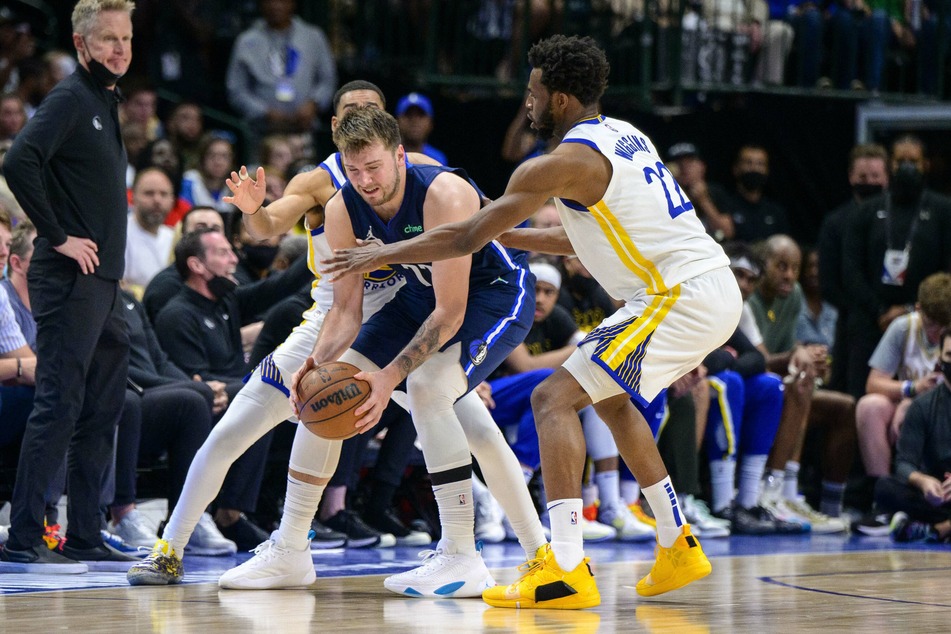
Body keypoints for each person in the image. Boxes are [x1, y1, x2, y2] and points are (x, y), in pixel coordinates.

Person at [325, 35, 742, 607]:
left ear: (562, 100)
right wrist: (508, 232)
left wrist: (380, 254)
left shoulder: (561, 162)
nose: (527, 102)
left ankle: (565, 568)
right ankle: (677, 543)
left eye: (534, 91)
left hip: (679, 293)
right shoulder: (621, 136)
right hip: (694, 288)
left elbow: (469, 235)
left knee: (553, 400)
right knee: (609, 398)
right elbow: (575, 235)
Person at [128, 81, 546, 591]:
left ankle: (490, 551)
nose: (366, 181)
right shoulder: (336, 198)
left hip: (488, 292)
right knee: (317, 396)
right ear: (335, 135)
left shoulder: (441, 190)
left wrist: (392, 374)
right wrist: (316, 365)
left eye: (374, 167)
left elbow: (451, 309)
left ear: (397, 149)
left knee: (442, 398)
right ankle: (279, 547)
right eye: (355, 170)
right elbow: (343, 307)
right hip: (379, 308)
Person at [0, 0, 137, 573]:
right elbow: (18, 161)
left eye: (126, 39)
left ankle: (84, 533)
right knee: (59, 404)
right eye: (107, 39)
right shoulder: (70, 98)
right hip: (70, 277)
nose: (119, 49)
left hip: (103, 284)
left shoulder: (104, 100)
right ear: (81, 45)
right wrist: (57, 237)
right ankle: (25, 535)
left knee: (104, 407)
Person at [841, 135, 951, 401]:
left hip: (927, 319)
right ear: (890, 164)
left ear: (925, 165)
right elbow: (851, 269)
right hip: (871, 320)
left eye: (913, 161)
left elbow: (947, 270)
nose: (907, 167)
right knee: (862, 400)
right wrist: (880, 311)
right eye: (901, 161)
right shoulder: (866, 210)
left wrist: (912, 309)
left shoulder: (943, 209)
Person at [855, 272, 950, 496]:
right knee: (870, 406)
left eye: (943, 326)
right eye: (931, 324)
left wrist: (913, 405)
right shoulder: (903, 328)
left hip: (943, 413)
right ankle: (882, 491)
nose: (936, 333)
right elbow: (873, 383)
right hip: (912, 407)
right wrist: (911, 390)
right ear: (918, 309)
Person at [226, 0, 337, 141]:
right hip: (261, 132)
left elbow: (328, 80)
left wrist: (314, 104)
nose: (276, 5)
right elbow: (236, 89)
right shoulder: (247, 41)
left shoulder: (313, 37)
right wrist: (264, 112)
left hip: (305, 130)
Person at [879, 326, 951, 543]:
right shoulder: (922, 406)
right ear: (940, 357)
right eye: (950, 355)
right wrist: (923, 482)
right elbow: (903, 463)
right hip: (939, 494)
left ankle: (940, 529)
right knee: (885, 488)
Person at [123, 167, 177, 294]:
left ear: (172, 200)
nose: (157, 200)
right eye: (149, 193)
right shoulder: (119, 234)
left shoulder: (174, 237)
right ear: (132, 196)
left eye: (163, 194)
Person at [394, 92, 447, 165]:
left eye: (421, 116)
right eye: (408, 115)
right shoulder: (390, 154)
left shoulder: (437, 158)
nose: (414, 121)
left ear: (430, 123)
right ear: (397, 121)